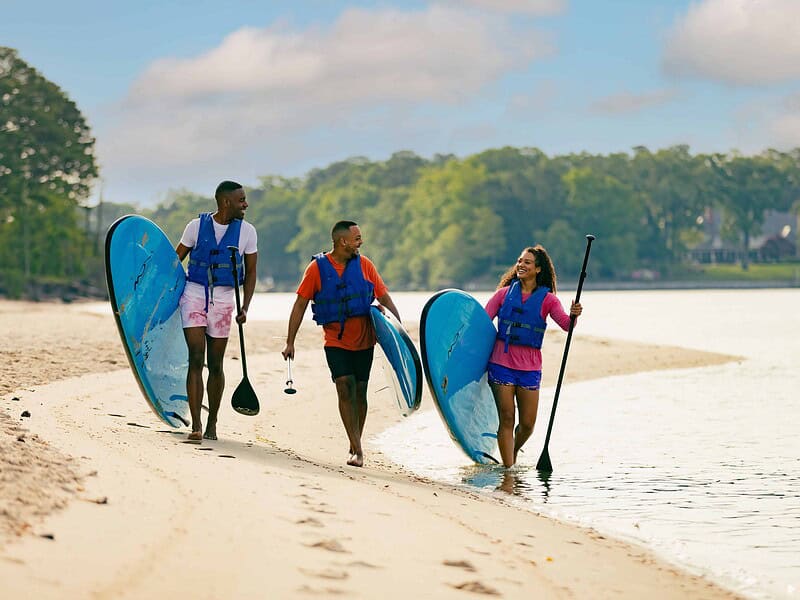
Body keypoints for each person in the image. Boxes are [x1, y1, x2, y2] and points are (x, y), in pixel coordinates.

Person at [281, 220, 400, 467]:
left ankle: (355, 440)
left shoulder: (365, 265)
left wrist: (399, 334)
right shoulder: (316, 269)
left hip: (365, 339)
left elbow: (384, 296)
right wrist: (290, 341)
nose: (360, 242)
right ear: (342, 241)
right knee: (344, 386)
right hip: (335, 340)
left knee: (361, 390)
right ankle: (357, 448)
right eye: (356, 238)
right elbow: (300, 305)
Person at [175, 180, 258, 443]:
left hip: (224, 300)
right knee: (196, 357)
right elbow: (174, 261)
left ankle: (212, 422)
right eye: (241, 200)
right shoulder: (195, 226)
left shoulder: (247, 232)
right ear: (226, 202)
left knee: (217, 363)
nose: (245, 204)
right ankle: (196, 425)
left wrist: (245, 306)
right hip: (194, 294)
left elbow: (252, 271)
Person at [484, 245, 582, 468]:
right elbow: (480, 322)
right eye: (520, 261)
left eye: (527, 262)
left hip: (529, 368)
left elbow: (567, 326)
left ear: (538, 269)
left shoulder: (548, 300)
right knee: (507, 418)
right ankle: (508, 471)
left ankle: (512, 451)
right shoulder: (502, 295)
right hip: (501, 363)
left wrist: (574, 315)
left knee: (527, 424)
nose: (521, 265)